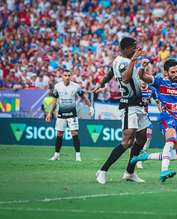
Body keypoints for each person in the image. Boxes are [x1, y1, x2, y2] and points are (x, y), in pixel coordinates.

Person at [93, 37, 149, 184]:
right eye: (133, 48)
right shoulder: (124, 62)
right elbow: (125, 79)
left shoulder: (117, 61)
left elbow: (110, 73)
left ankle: (129, 173)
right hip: (128, 104)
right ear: (125, 49)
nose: (136, 50)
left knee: (142, 137)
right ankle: (102, 170)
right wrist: (133, 61)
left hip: (138, 104)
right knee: (127, 140)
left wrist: (101, 84)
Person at [46, 69, 94, 161]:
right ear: (62, 76)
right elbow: (54, 101)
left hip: (72, 114)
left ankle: (78, 156)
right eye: (65, 75)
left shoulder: (76, 86)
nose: (67, 77)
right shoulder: (57, 86)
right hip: (61, 114)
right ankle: (56, 155)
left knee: (74, 133)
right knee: (59, 134)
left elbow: (83, 96)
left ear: (71, 76)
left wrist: (90, 107)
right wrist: (49, 113)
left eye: (69, 75)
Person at [136, 81, 160, 169]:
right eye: (141, 80)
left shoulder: (152, 90)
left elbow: (158, 102)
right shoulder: (135, 88)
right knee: (133, 139)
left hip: (145, 117)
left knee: (148, 137)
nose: (142, 82)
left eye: (144, 79)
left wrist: (162, 113)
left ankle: (139, 160)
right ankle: (134, 156)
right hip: (135, 116)